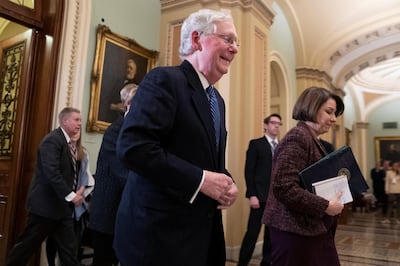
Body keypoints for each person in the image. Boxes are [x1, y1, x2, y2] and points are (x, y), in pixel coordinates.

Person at [114, 8, 239, 266]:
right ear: (196, 39)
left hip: (200, 237)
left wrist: (225, 181)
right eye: (227, 39)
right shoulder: (165, 80)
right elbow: (134, 147)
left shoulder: (218, 101)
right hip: (159, 239)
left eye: (236, 42)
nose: (235, 48)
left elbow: (200, 156)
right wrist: (202, 180)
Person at [262, 87, 345, 266]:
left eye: (335, 113)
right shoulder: (298, 136)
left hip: (309, 228)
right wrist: (325, 206)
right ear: (311, 108)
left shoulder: (311, 138)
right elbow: (283, 186)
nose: (333, 119)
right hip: (293, 230)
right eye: (329, 112)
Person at [6, 107, 84, 266]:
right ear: (64, 121)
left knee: (69, 252)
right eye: (76, 120)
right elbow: (52, 173)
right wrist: (71, 195)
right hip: (45, 208)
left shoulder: (67, 143)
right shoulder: (52, 140)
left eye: (80, 120)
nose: (79, 124)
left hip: (61, 209)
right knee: (26, 247)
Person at [89, 83, 138, 266]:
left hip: (126, 211)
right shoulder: (115, 131)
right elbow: (122, 172)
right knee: (103, 261)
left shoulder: (137, 131)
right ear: (130, 106)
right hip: (108, 213)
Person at [237, 114, 282, 266]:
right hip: (259, 198)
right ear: (265, 125)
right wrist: (252, 194)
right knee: (252, 234)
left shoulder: (282, 147)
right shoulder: (256, 144)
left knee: (271, 236)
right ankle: (242, 263)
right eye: (273, 123)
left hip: (276, 199)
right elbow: (249, 171)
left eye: (279, 123)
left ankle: (266, 263)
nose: (277, 126)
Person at [46, 129, 94, 265]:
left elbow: (87, 177)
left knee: (72, 243)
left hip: (75, 204)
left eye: (78, 131)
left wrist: (81, 190)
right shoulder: (59, 150)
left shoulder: (82, 154)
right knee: (53, 240)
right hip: (60, 201)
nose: (74, 133)